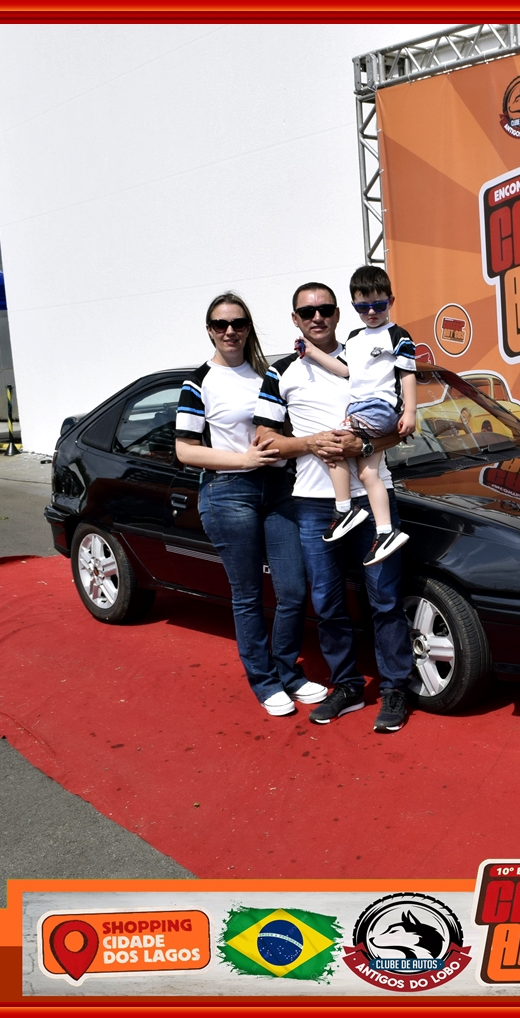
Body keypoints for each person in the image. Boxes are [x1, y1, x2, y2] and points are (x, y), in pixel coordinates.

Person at [254, 281, 416, 734]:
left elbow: (399, 425)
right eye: (308, 313)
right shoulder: (281, 371)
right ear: (295, 319)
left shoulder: (365, 354)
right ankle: (346, 685)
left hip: (372, 495)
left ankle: (395, 689)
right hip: (313, 504)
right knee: (326, 602)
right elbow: (264, 440)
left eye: (325, 309)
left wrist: (361, 444)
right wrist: (311, 443)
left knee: (385, 599)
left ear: (338, 313)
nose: (317, 318)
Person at [173, 292, 326, 718]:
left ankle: (287, 671)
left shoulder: (266, 375)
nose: (230, 331)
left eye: (238, 323)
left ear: (248, 328)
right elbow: (185, 449)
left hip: (277, 488)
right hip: (229, 492)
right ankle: (264, 680)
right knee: (248, 595)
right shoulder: (198, 382)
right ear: (209, 330)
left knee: (293, 589)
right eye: (221, 324)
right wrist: (243, 460)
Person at [294, 264, 417, 565]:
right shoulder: (354, 338)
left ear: (391, 301)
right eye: (363, 307)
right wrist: (312, 352)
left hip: (379, 409)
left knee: (333, 445)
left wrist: (410, 411)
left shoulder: (397, 335)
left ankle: (345, 508)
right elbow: (345, 370)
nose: (371, 312)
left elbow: (408, 373)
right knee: (367, 473)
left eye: (378, 305)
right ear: (353, 306)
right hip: (362, 410)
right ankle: (386, 532)